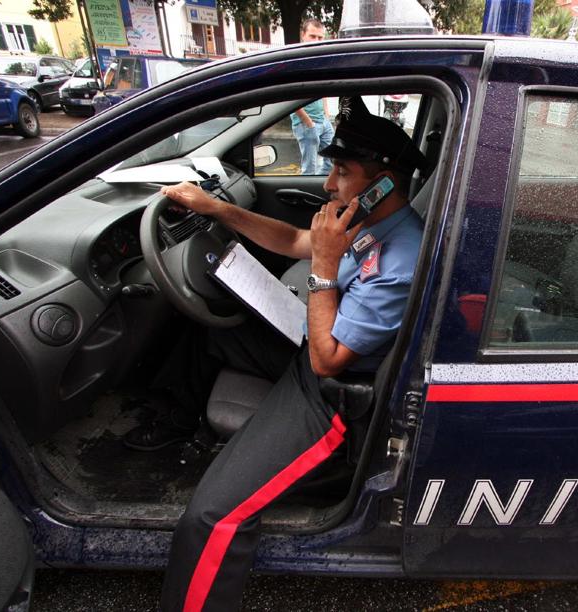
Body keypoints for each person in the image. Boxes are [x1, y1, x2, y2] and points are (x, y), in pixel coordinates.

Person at [157, 96, 427, 611]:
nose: (328, 185)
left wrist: (325, 265)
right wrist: (218, 210)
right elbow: (297, 239)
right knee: (208, 331)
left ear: (385, 183)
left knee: (213, 518)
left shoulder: (402, 260)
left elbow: (328, 360)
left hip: (328, 392)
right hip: (309, 345)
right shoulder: (369, 225)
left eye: (341, 172)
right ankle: (176, 433)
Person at [291, 19, 334, 175]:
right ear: (303, 35)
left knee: (331, 164)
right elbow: (290, 96)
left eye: (320, 37)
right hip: (306, 124)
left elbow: (323, 90)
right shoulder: (296, 62)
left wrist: (327, 115)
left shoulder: (318, 61)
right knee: (310, 169)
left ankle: (323, 195)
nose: (317, 41)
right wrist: (308, 122)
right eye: (312, 36)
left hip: (323, 121)